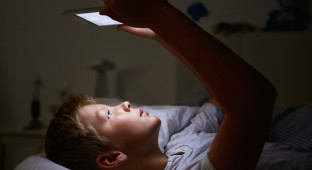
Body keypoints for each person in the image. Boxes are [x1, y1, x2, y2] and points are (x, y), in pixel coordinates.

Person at [45, 0, 277, 169]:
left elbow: (224, 96)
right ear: (111, 158)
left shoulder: (179, 141)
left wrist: (161, 35)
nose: (124, 103)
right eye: (108, 114)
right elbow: (253, 102)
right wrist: (159, 14)